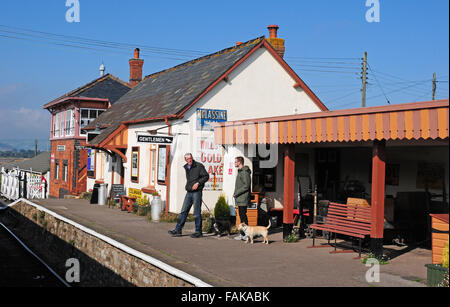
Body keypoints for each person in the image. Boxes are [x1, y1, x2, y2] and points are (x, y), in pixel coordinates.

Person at [168, 153, 209, 238]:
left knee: (196, 213)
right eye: (187, 159)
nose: (189, 160)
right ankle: (178, 230)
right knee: (183, 211)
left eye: (190, 158)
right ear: (185, 160)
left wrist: (198, 183)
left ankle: (198, 232)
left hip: (197, 192)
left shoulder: (199, 166)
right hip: (189, 192)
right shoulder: (187, 167)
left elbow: (206, 176)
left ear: (192, 158)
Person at [233, 156, 252, 241]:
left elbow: (246, 186)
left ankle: (246, 235)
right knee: (242, 216)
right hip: (240, 198)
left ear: (239, 162)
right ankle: (243, 234)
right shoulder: (241, 172)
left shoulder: (244, 172)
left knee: (243, 216)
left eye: (236, 162)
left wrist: (236, 193)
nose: (235, 163)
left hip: (243, 198)